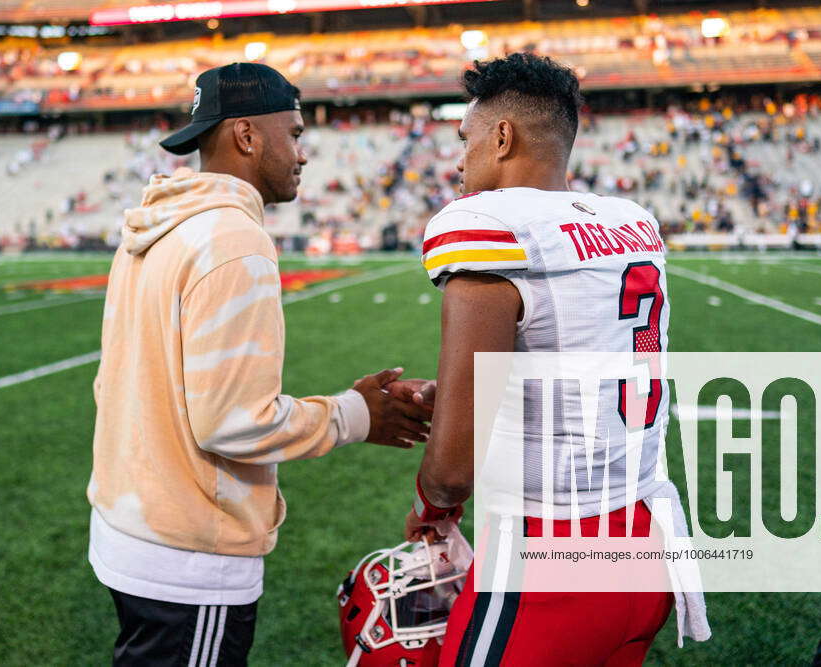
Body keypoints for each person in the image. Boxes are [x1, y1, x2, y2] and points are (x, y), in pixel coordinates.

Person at [87, 63, 431, 666]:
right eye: (294, 134)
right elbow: (232, 422)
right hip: (188, 551)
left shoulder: (156, 228)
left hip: (130, 525)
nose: (302, 154)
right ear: (247, 135)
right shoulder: (232, 239)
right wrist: (356, 415)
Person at [392, 53, 710, 665]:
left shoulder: (490, 223)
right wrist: (469, 393)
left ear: (503, 136)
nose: (460, 159)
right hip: (648, 541)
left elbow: (453, 469)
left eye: (467, 139)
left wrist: (432, 508)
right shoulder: (631, 222)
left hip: (552, 561)